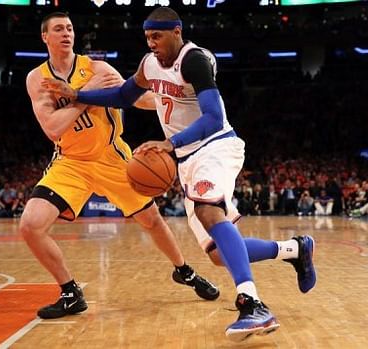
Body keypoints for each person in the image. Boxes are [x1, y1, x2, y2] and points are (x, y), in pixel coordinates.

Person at [44, 7, 316, 342]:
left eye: (157, 36)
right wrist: (79, 95)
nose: (151, 43)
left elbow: (214, 118)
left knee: (208, 210)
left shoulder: (194, 60)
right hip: (186, 160)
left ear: (177, 31)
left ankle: (252, 304)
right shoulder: (149, 64)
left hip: (215, 146)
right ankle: (295, 249)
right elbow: (123, 96)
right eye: (147, 37)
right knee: (218, 254)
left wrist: (170, 143)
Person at [21, 12, 219, 320]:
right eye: (58, 29)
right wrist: (88, 95)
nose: (66, 33)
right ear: (44, 37)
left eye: (70, 28)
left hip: (112, 156)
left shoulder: (97, 68)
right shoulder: (37, 79)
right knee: (30, 225)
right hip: (71, 162)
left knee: (152, 221)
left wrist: (174, 98)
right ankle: (70, 292)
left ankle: (184, 271)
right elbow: (53, 128)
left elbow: (133, 97)